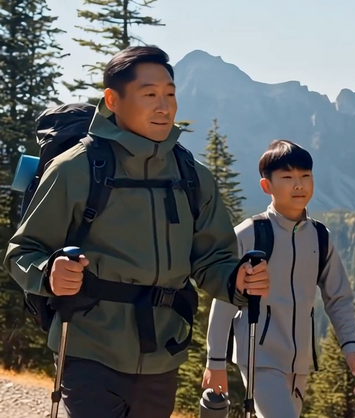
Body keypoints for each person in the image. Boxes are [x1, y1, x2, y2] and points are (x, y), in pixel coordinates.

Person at [3, 46, 270, 418]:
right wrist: (49, 272)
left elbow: (213, 258)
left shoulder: (193, 176)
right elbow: (23, 251)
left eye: (170, 94)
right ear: (113, 100)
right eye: (149, 95)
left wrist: (236, 280)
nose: (164, 107)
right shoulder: (74, 169)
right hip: (89, 348)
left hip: (163, 354)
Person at [202, 140, 355, 418]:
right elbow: (225, 300)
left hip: (300, 363)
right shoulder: (248, 234)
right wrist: (215, 361)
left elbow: (338, 297)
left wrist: (350, 346)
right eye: (288, 177)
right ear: (266, 186)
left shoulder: (320, 237)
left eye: (305, 176)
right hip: (259, 358)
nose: (299, 185)